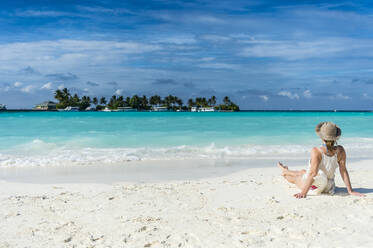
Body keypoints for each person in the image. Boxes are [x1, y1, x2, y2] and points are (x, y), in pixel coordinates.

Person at [278, 121, 365, 198]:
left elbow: (313, 174)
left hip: (317, 186)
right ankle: (286, 170)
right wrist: (350, 191)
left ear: (322, 137)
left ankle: (284, 172)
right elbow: (343, 171)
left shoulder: (317, 151)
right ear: (335, 137)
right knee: (303, 171)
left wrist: (303, 192)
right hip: (329, 186)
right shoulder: (340, 150)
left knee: (296, 179)